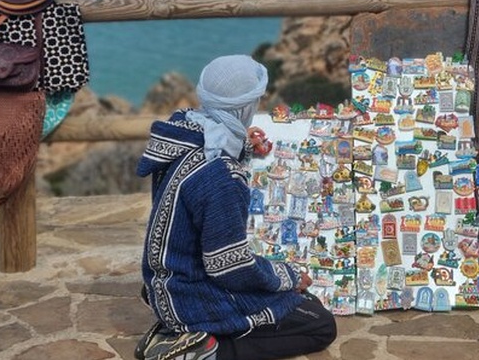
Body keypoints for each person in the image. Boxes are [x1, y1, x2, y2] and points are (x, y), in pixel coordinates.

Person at [135, 55, 337, 360]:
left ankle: (181, 332)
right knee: (319, 323)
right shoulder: (221, 176)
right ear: (245, 107)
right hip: (191, 292)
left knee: (298, 300)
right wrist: (288, 275)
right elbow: (228, 265)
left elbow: (207, 160)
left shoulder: (183, 129)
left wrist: (242, 144)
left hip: (165, 279)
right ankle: (202, 350)